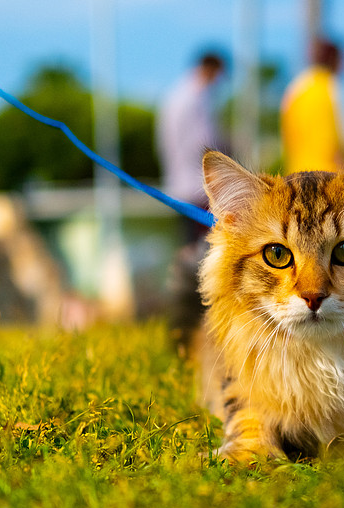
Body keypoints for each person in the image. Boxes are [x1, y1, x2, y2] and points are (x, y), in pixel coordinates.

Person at [156, 50, 226, 353]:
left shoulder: (173, 96)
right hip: (198, 191)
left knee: (188, 259)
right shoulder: (196, 99)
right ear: (210, 69)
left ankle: (182, 333)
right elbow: (208, 145)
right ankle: (195, 332)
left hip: (179, 186)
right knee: (202, 260)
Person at [280, 38, 344, 174]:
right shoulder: (328, 86)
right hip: (328, 177)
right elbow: (333, 140)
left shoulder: (295, 89)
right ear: (334, 59)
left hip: (295, 174)